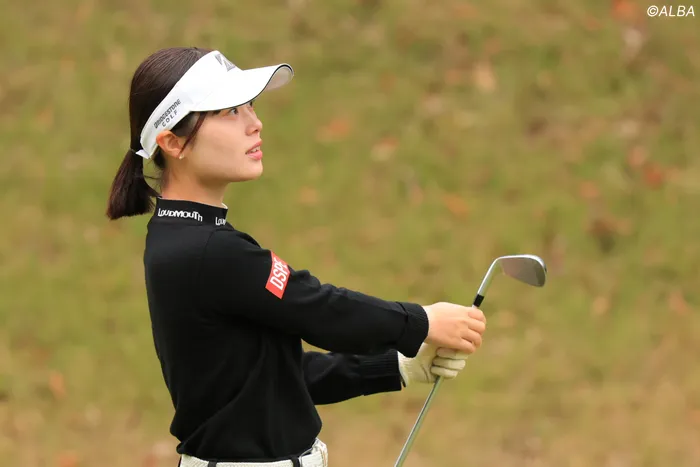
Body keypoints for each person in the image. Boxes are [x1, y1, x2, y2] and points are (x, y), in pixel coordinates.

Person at [105, 46, 487, 467]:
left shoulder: (183, 237)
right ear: (173, 142)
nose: (254, 123)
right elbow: (320, 310)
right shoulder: (208, 250)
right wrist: (422, 322)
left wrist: (397, 366)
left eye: (249, 106)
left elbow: (273, 378)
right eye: (229, 111)